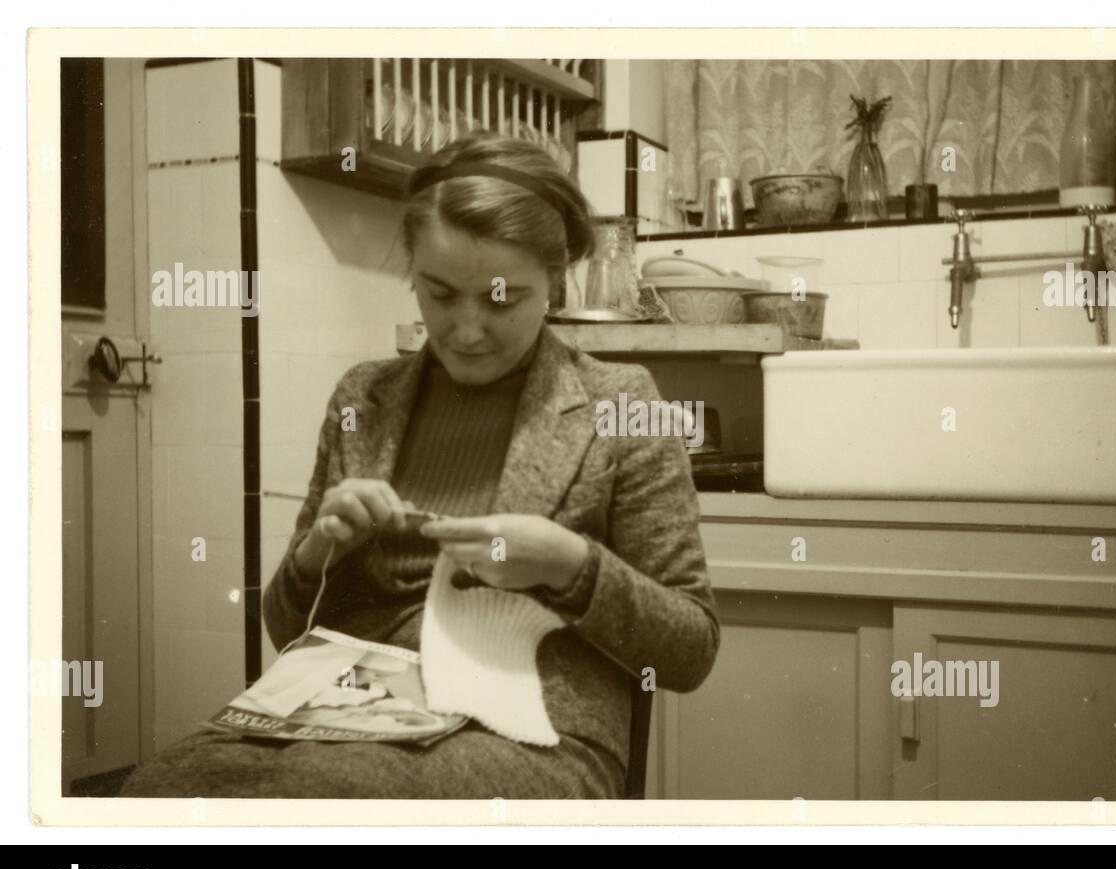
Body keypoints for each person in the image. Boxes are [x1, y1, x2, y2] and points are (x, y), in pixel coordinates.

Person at [120, 133, 721, 799]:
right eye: (438, 294)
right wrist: (319, 550)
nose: (466, 329)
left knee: (335, 798)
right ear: (411, 270)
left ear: (555, 281)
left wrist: (570, 565)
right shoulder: (363, 398)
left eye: (500, 300)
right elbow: (289, 629)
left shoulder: (620, 403)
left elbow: (689, 651)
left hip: (530, 720)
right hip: (342, 700)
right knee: (164, 787)